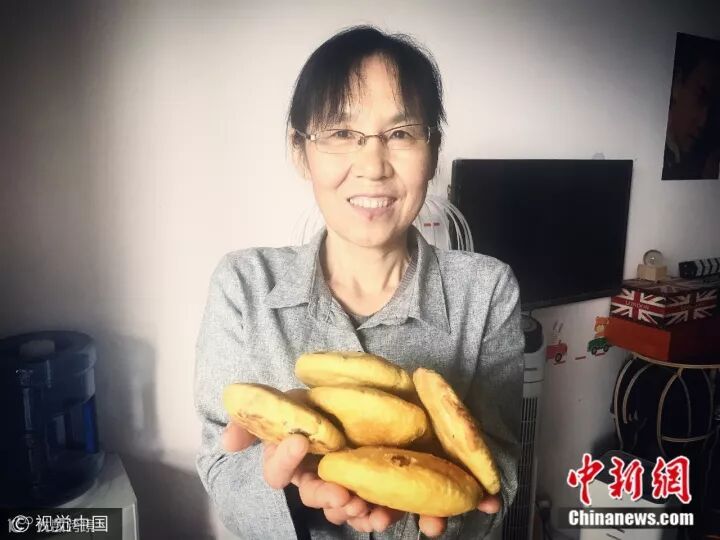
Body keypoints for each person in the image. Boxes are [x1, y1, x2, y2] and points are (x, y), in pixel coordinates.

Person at [194, 25, 525, 539]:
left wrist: (435, 477)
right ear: (300, 150)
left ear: (433, 150)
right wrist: (286, 482)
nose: (373, 166)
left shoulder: (487, 291)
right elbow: (220, 466)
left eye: (401, 133)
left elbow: (498, 474)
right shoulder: (244, 285)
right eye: (341, 133)